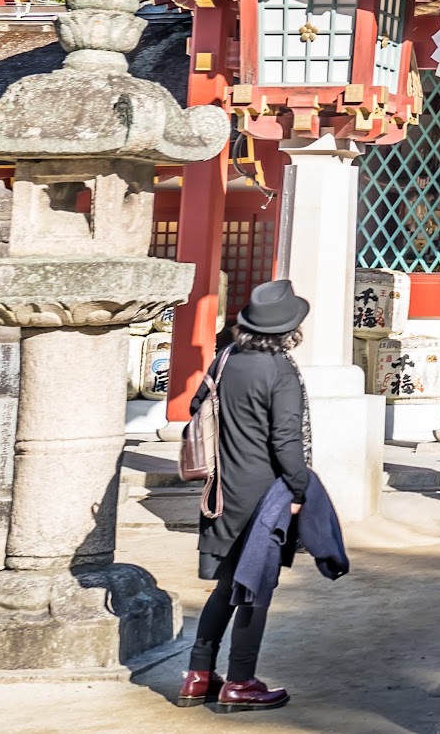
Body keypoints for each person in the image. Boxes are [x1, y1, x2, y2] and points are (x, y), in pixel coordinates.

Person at [179, 279, 314, 711]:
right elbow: (287, 440)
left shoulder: (226, 358)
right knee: (255, 588)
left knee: (225, 586)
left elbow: (195, 408)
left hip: (220, 490)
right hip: (264, 495)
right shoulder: (281, 370)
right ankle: (239, 679)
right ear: (288, 329)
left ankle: (198, 675)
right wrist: (299, 487)